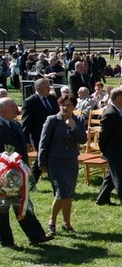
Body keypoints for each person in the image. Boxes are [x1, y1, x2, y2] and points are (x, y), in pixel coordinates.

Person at [0, 97, 53, 248]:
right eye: (12, 106)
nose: (16, 108)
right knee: (3, 209)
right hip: (3, 174)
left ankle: (36, 236)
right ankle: (6, 240)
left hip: (18, 173)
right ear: (1, 110)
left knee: (23, 204)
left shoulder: (15, 124)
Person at [39, 94, 87, 235]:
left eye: (69, 105)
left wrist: (74, 127)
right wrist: (42, 163)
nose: (65, 107)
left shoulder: (78, 120)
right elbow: (43, 142)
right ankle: (51, 221)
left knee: (68, 194)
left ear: (74, 107)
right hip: (55, 162)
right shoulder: (52, 120)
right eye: (63, 105)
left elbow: (83, 139)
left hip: (71, 162)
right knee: (61, 193)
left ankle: (66, 223)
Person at [95, 87, 122, 215]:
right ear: (118, 98)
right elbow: (102, 137)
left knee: (111, 176)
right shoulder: (110, 113)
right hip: (114, 152)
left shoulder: (118, 111)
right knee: (120, 178)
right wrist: (105, 151)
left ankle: (102, 198)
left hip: (121, 150)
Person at [21, 77, 60, 180]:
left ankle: (33, 181)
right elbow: (26, 123)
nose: (49, 88)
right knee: (42, 156)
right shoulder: (30, 101)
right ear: (38, 88)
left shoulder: (52, 99)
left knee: (49, 156)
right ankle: (31, 181)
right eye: (46, 86)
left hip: (54, 133)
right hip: (38, 134)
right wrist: (26, 141)